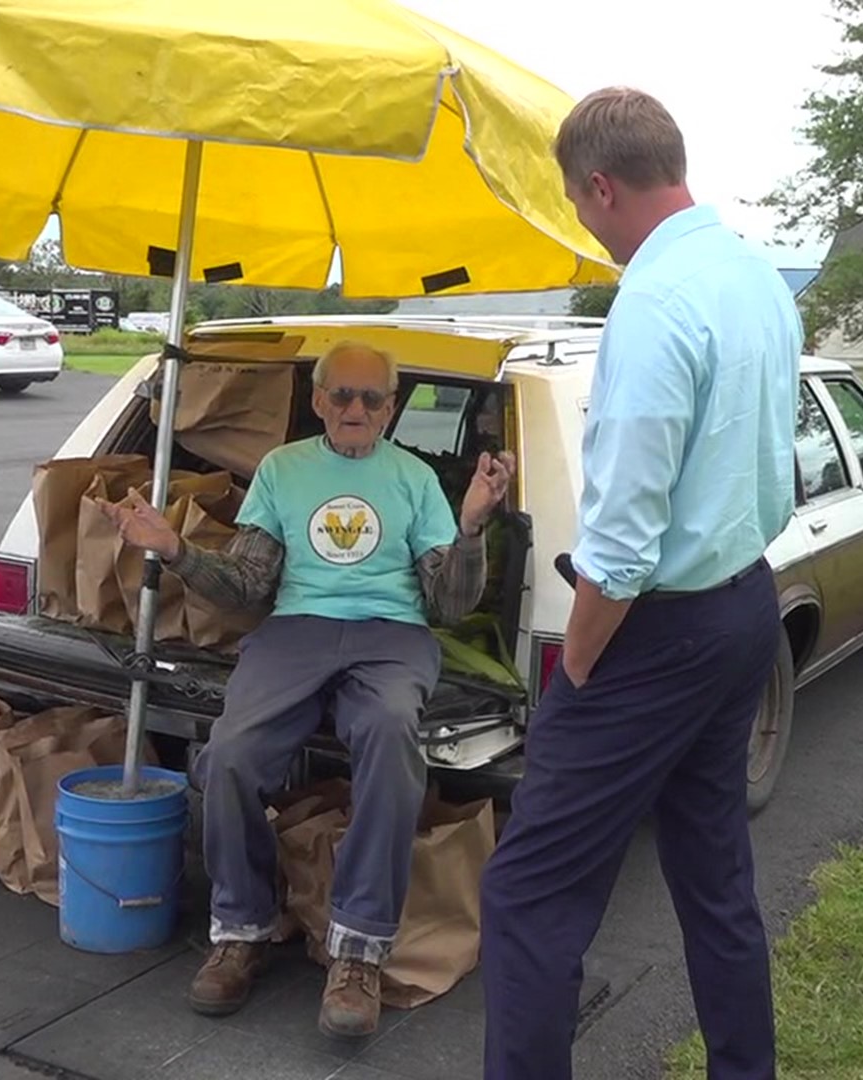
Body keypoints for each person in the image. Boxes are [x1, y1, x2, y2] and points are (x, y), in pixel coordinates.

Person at [478, 87, 800, 1080]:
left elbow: (620, 539)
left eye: (578, 204)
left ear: (603, 186)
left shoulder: (654, 305)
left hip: (652, 633)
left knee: (530, 896)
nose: (584, 223)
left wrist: (576, 665)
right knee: (713, 875)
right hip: (746, 603)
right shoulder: (757, 276)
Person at [97, 341, 516, 1039]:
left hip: (391, 636)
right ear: (319, 401)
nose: (355, 409)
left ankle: (358, 950)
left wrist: (471, 527)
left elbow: (448, 603)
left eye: (371, 398)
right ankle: (244, 928)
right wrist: (174, 549)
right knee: (228, 755)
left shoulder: (414, 479)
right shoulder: (282, 470)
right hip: (295, 632)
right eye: (341, 396)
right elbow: (248, 587)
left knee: (388, 737)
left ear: (389, 406)